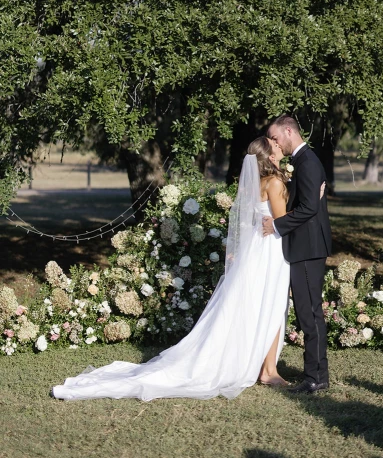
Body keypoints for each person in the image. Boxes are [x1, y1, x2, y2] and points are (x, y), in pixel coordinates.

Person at [52, 137, 290, 401]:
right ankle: (268, 370)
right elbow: (284, 222)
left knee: (262, 305)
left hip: (256, 249)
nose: (278, 146)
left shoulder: (257, 182)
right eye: (274, 145)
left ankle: (266, 367)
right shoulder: (275, 183)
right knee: (271, 303)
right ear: (269, 157)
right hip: (269, 249)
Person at [263, 115, 332, 394]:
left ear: (289, 131)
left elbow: (309, 209)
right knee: (309, 312)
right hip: (306, 245)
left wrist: (276, 225)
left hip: (308, 247)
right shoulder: (303, 161)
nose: (275, 143)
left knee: (309, 313)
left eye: (276, 138)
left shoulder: (308, 162)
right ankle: (318, 373)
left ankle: (315, 376)